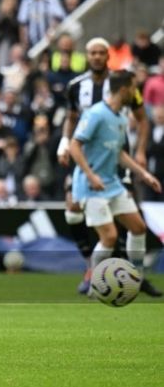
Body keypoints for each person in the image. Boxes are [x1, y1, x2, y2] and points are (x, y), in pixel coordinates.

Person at [57, 37, 161, 296]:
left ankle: (134, 277)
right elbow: (75, 145)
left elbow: (119, 153)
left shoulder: (118, 117)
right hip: (93, 181)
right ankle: (94, 280)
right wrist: (89, 174)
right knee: (109, 236)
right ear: (123, 90)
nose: (136, 93)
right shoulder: (94, 113)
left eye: (101, 53)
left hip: (111, 181)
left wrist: (144, 173)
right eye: (132, 89)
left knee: (137, 227)